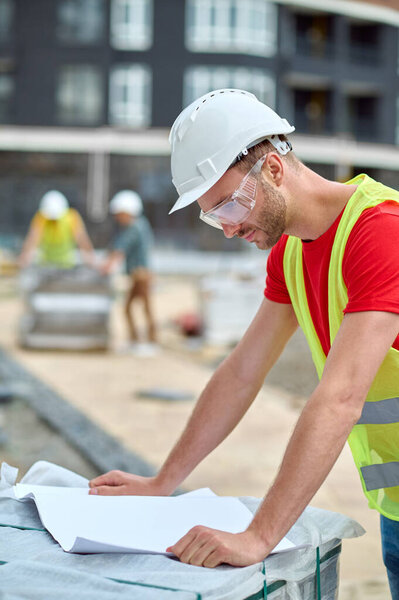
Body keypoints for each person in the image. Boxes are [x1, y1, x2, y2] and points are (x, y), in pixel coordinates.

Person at [89, 90, 399, 594]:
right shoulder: (292, 257)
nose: (228, 228)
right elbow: (242, 372)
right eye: (214, 216)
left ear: (274, 169)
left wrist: (260, 536)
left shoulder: (381, 232)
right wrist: (162, 482)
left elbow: (340, 399)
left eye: (230, 204)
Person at [101, 190, 157, 354]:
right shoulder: (139, 225)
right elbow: (116, 246)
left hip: (141, 274)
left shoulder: (135, 227)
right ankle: (140, 341)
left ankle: (147, 342)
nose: (118, 218)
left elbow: (119, 249)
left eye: (120, 214)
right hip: (139, 274)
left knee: (140, 308)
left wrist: (106, 266)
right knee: (139, 308)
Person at [19, 190, 95, 268]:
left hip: (66, 264)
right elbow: (32, 239)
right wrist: (25, 258)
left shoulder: (72, 218)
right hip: (46, 264)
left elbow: (82, 240)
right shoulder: (41, 218)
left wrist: (90, 259)